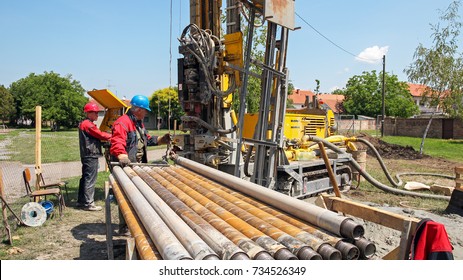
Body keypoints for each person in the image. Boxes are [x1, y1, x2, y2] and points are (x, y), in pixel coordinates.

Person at [110, 95, 171, 166]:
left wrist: (162, 139)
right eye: (146, 110)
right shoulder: (122, 123)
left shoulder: (138, 123)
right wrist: (122, 156)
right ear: (139, 110)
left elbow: (146, 139)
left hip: (137, 163)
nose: (146, 113)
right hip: (126, 165)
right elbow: (118, 142)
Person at [77, 102, 112, 211]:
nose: (97, 115)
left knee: (85, 178)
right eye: (95, 113)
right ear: (89, 113)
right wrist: (112, 136)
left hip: (87, 154)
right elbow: (100, 134)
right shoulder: (88, 124)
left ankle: (81, 201)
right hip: (90, 154)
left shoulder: (84, 123)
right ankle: (89, 203)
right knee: (90, 179)